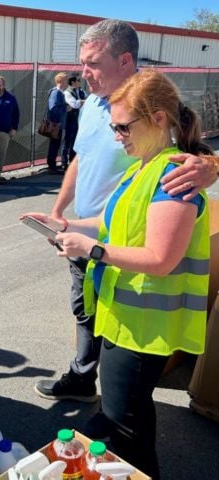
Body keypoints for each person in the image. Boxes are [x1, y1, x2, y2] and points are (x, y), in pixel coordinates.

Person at [29, 20, 218, 410]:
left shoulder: (152, 117)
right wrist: (60, 215)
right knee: (86, 310)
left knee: (124, 406)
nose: (84, 72)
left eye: (93, 63)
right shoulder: (98, 110)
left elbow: (187, 149)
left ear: (125, 60)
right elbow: (81, 160)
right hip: (101, 238)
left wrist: (212, 165)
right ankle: (84, 375)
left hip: (129, 268)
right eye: (81, 63)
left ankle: (103, 380)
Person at [47, 68, 211, 478]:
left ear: (158, 119)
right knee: (126, 417)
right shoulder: (143, 165)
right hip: (126, 319)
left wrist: (93, 251)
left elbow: (160, 258)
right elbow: (109, 220)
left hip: (144, 326)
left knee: (124, 425)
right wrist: (66, 226)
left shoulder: (172, 177)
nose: (117, 136)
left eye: (122, 127)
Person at [61, 75, 86, 169]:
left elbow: (85, 102)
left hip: (80, 120)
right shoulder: (67, 93)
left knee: (76, 142)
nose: (80, 82)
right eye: (78, 80)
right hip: (70, 120)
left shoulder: (82, 92)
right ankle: (64, 163)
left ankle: (72, 162)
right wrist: (84, 102)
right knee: (67, 141)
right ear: (73, 82)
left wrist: (81, 101)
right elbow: (74, 104)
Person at [45, 72, 68, 174]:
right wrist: (65, 108)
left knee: (56, 144)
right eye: (66, 80)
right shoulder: (56, 93)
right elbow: (53, 108)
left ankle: (53, 165)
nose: (68, 82)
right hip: (55, 125)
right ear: (61, 81)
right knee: (54, 145)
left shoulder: (61, 92)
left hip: (58, 124)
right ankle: (51, 166)